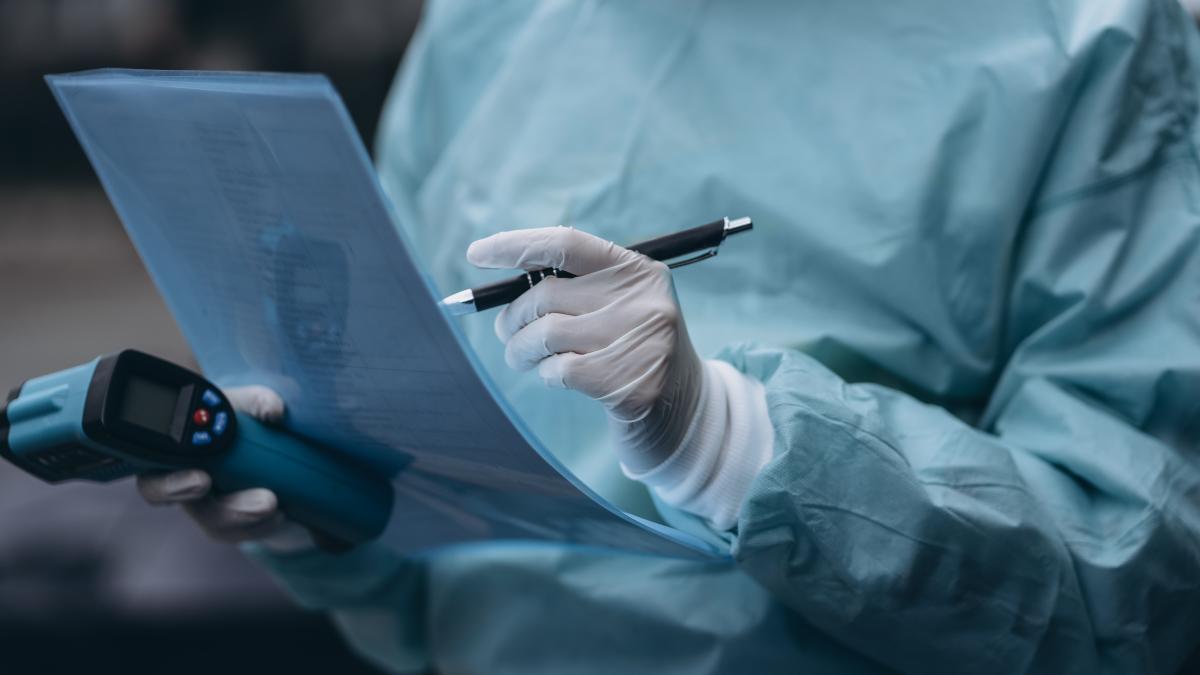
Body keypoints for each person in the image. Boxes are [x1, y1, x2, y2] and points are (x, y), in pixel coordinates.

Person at [137, 1, 1200, 672]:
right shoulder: (488, 28)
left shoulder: (1093, 36)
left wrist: (728, 439)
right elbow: (433, 581)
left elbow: (1138, 592)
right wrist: (317, 508)